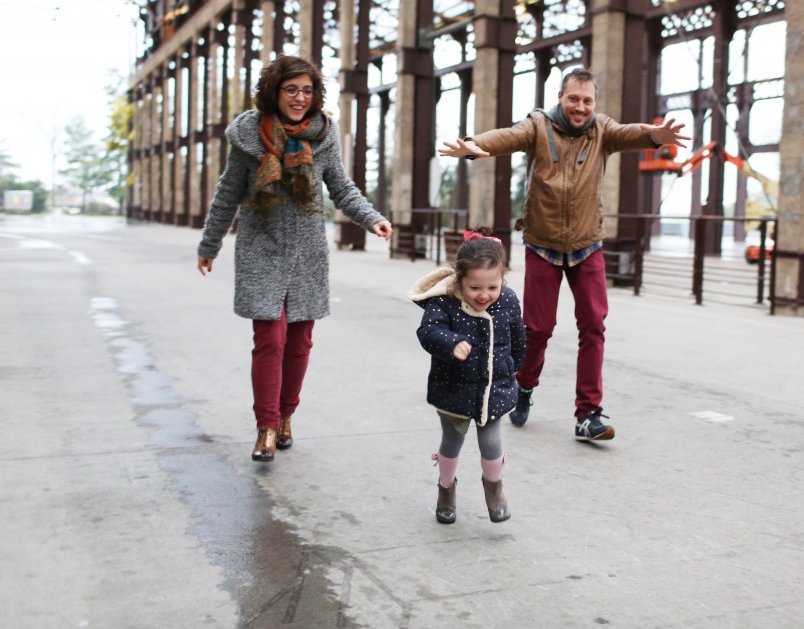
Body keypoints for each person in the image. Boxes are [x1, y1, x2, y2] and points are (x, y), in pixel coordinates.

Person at [438, 67, 688, 442]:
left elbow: (629, 132)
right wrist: (476, 145)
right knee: (538, 329)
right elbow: (508, 136)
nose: (581, 107)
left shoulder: (602, 130)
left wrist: (655, 136)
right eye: (574, 98)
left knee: (594, 324)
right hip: (543, 244)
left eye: (587, 100)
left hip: (588, 244)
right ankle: (524, 386)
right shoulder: (538, 127)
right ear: (560, 97)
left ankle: (588, 414)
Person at [197, 55, 392, 462]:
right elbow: (227, 193)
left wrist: (372, 219)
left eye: (307, 90)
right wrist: (209, 245)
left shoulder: (323, 135)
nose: (300, 98)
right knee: (270, 339)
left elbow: (341, 186)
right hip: (260, 248)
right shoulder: (247, 136)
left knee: (299, 344)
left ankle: (287, 417)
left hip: (307, 252)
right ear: (274, 91)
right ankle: (266, 426)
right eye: (291, 89)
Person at [408, 229, 526, 524]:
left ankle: (494, 488)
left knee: (491, 441)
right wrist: (450, 343)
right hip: (453, 387)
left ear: (502, 281)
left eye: (492, 287)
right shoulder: (444, 301)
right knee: (452, 440)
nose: (484, 295)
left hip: (493, 387)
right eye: (475, 288)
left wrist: (515, 368)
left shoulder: (508, 300)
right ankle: (446, 488)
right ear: (459, 279)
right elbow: (428, 332)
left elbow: (518, 337)